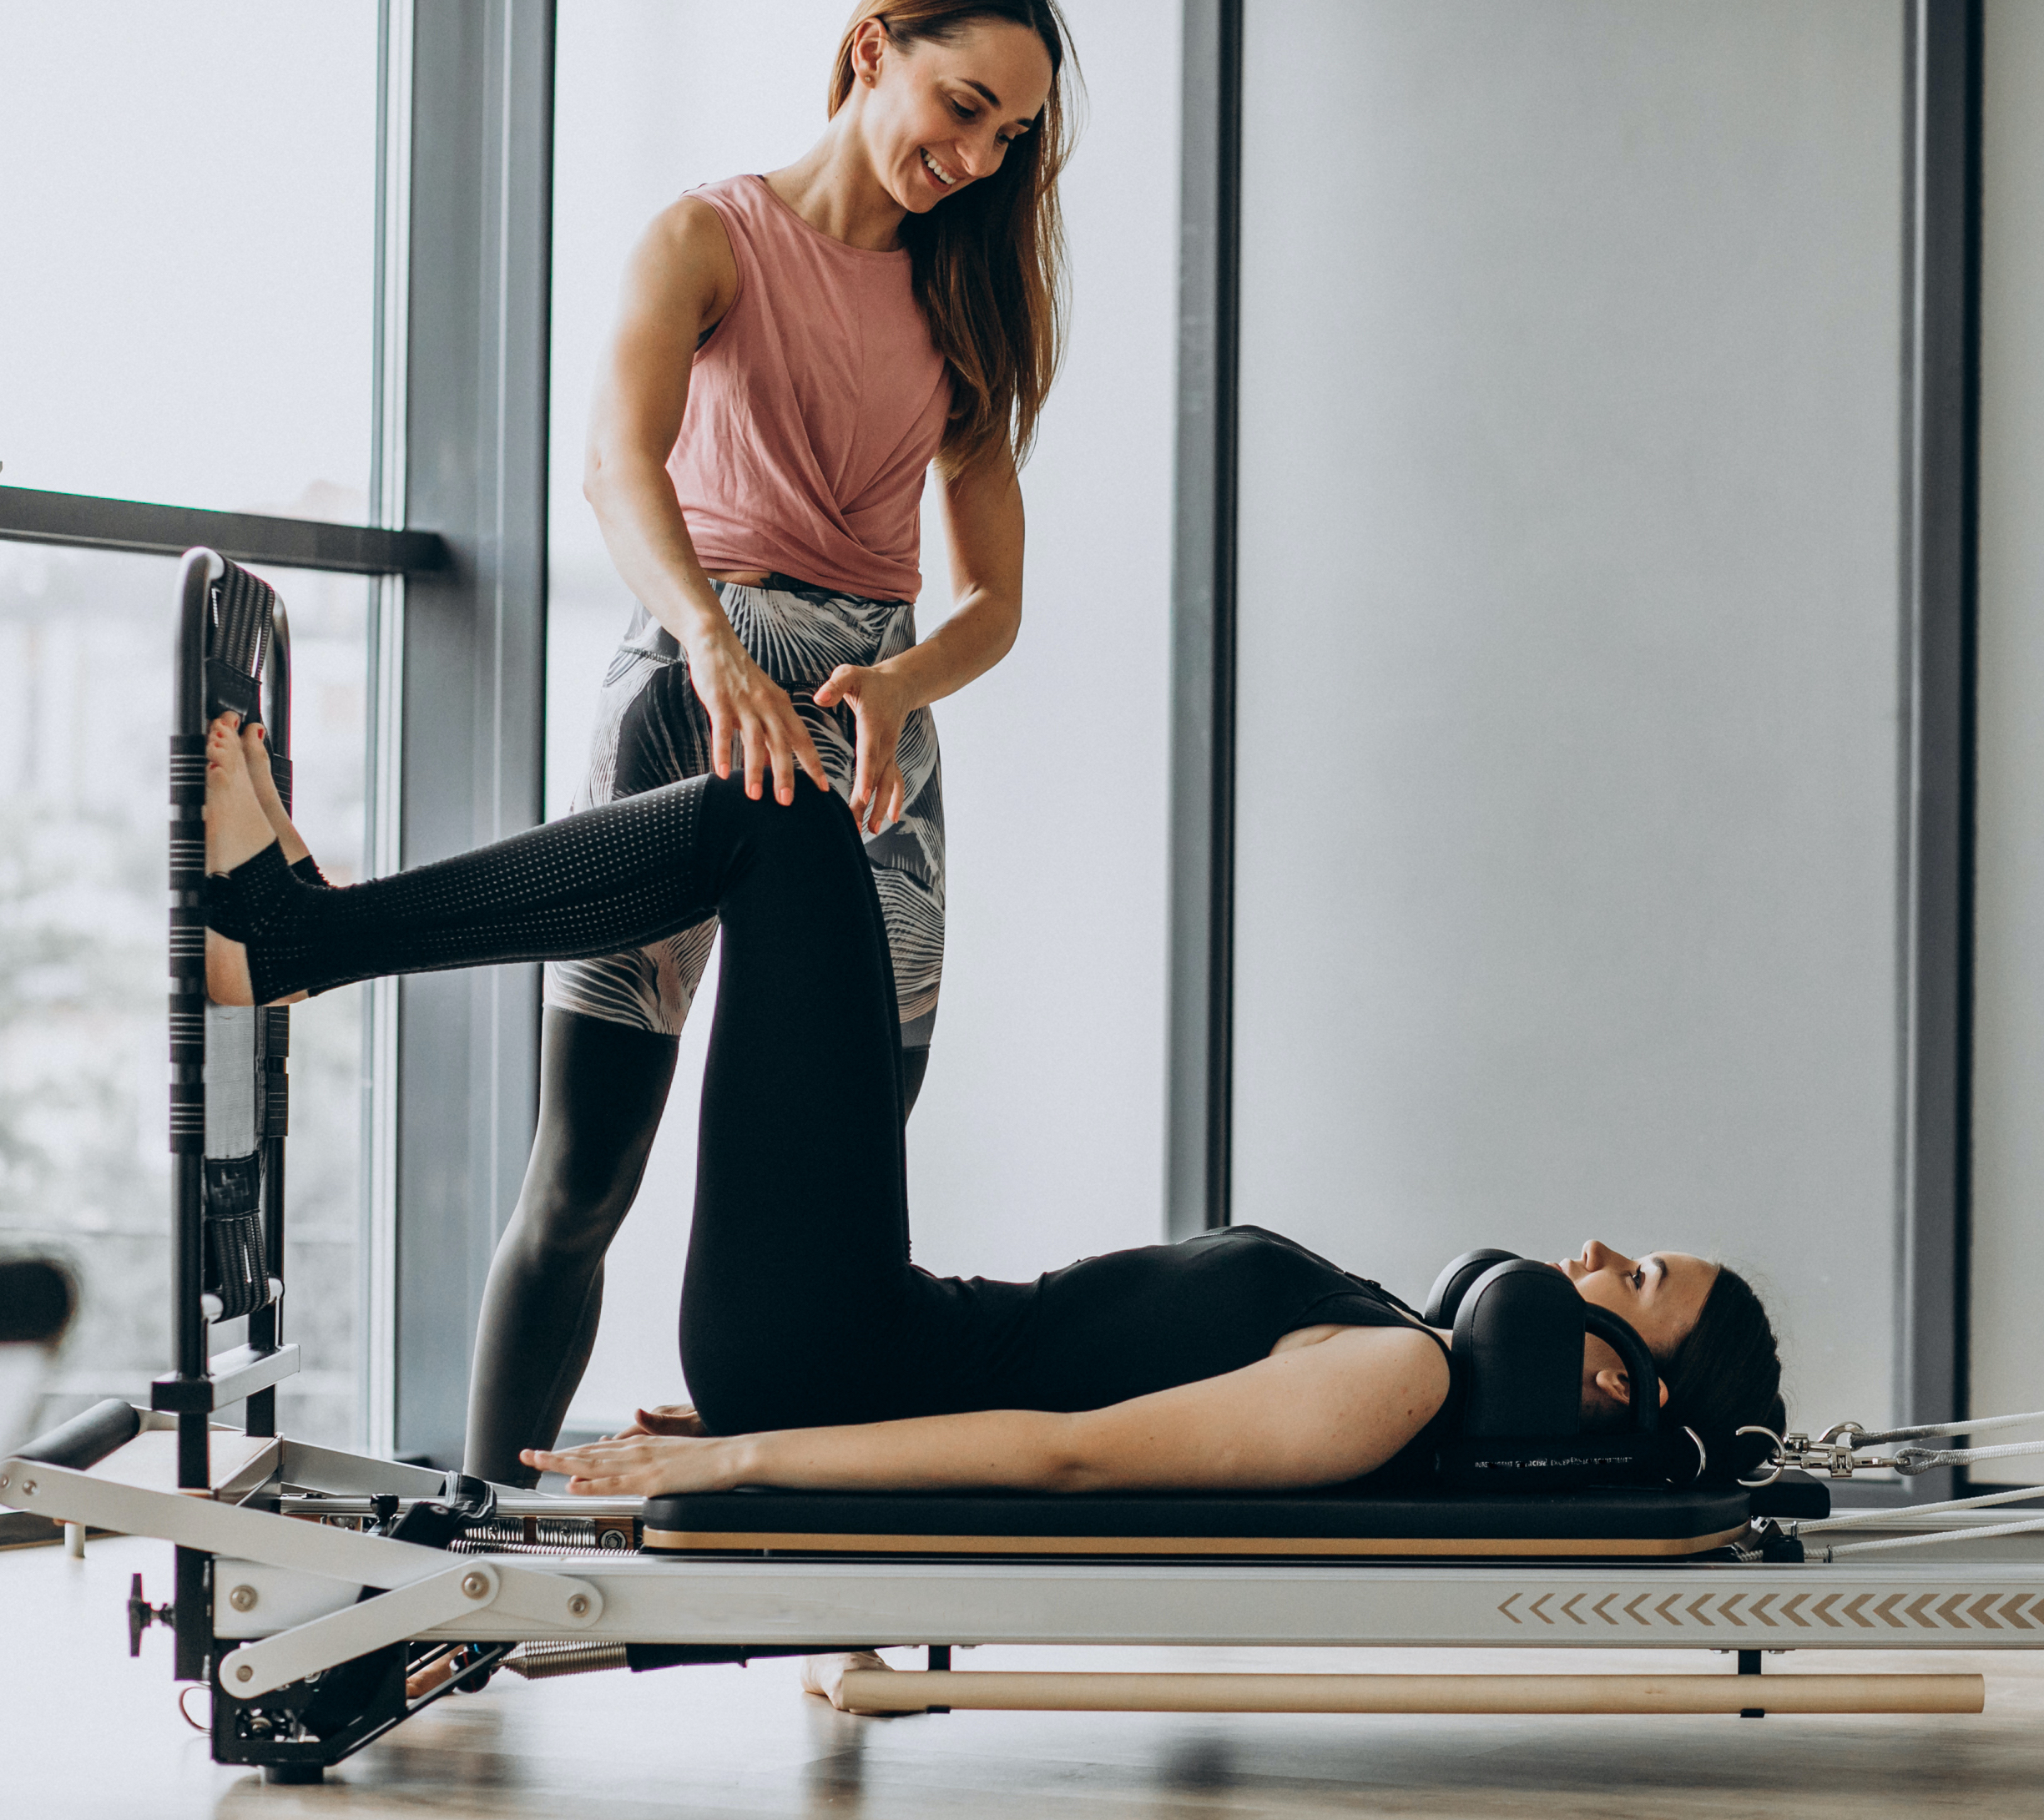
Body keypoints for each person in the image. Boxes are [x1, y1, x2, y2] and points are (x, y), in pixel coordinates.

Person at [206, 713, 1789, 1514]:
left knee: (774, 818)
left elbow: (1064, 1457)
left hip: (835, 1349)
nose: (1595, 1245)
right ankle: (297, 934)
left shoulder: (1391, 1380)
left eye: (1636, 1277)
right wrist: (791, 1414)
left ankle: (294, 936)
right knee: (776, 817)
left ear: (1601, 1386)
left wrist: (758, 1453)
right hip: (849, 1342)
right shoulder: (1389, 1346)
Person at [463, 0, 1080, 1489]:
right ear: (872, 47)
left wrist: (896, 683)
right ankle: (476, 1548)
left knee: (838, 1233)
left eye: (1010, 136)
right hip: (689, 699)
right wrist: (709, 643)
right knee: (584, 1173)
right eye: (962, 103)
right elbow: (617, 469)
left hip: (870, 749)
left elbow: (993, 602)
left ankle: (812, 1554)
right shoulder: (706, 240)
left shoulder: (963, 298)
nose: (980, 154)